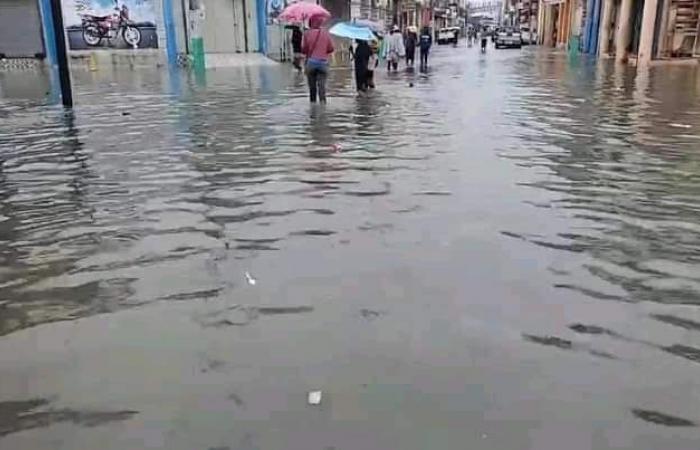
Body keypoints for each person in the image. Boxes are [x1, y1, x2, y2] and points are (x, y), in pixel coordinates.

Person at [302, 15, 334, 103]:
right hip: (323, 63)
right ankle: (323, 104)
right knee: (322, 86)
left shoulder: (307, 33)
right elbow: (331, 49)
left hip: (311, 63)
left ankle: (313, 105)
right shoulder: (325, 33)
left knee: (312, 88)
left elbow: (304, 50)